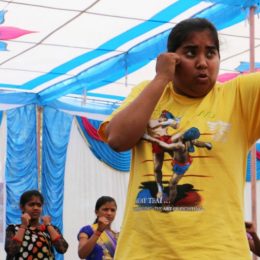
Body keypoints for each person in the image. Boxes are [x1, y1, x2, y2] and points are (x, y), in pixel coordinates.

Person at [98, 17, 260, 259]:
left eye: (211, 53)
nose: (203, 63)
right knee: (161, 175)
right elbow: (118, 139)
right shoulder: (148, 92)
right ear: (171, 59)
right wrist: (161, 78)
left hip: (219, 253)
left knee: (173, 182)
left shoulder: (238, 96)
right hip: (144, 253)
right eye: (191, 52)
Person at [5, 189, 68, 259]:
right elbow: (11, 251)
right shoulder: (13, 228)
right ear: (22, 207)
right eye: (31, 204)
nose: (36, 208)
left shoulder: (49, 229)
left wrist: (48, 225)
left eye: (39, 205)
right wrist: (23, 226)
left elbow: (62, 249)